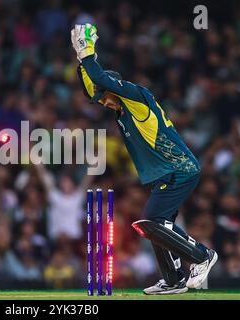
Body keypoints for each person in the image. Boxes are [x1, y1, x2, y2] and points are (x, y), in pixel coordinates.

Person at [71, 24, 218, 294]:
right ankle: (173, 279)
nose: (105, 104)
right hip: (167, 173)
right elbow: (94, 87)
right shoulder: (122, 111)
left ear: (117, 88)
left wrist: (86, 52)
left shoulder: (138, 98)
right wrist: (81, 65)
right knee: (159, 225)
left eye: (106, 99)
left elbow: (101, 80)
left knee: (151, 221)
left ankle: (202, 256)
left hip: (180, 169)